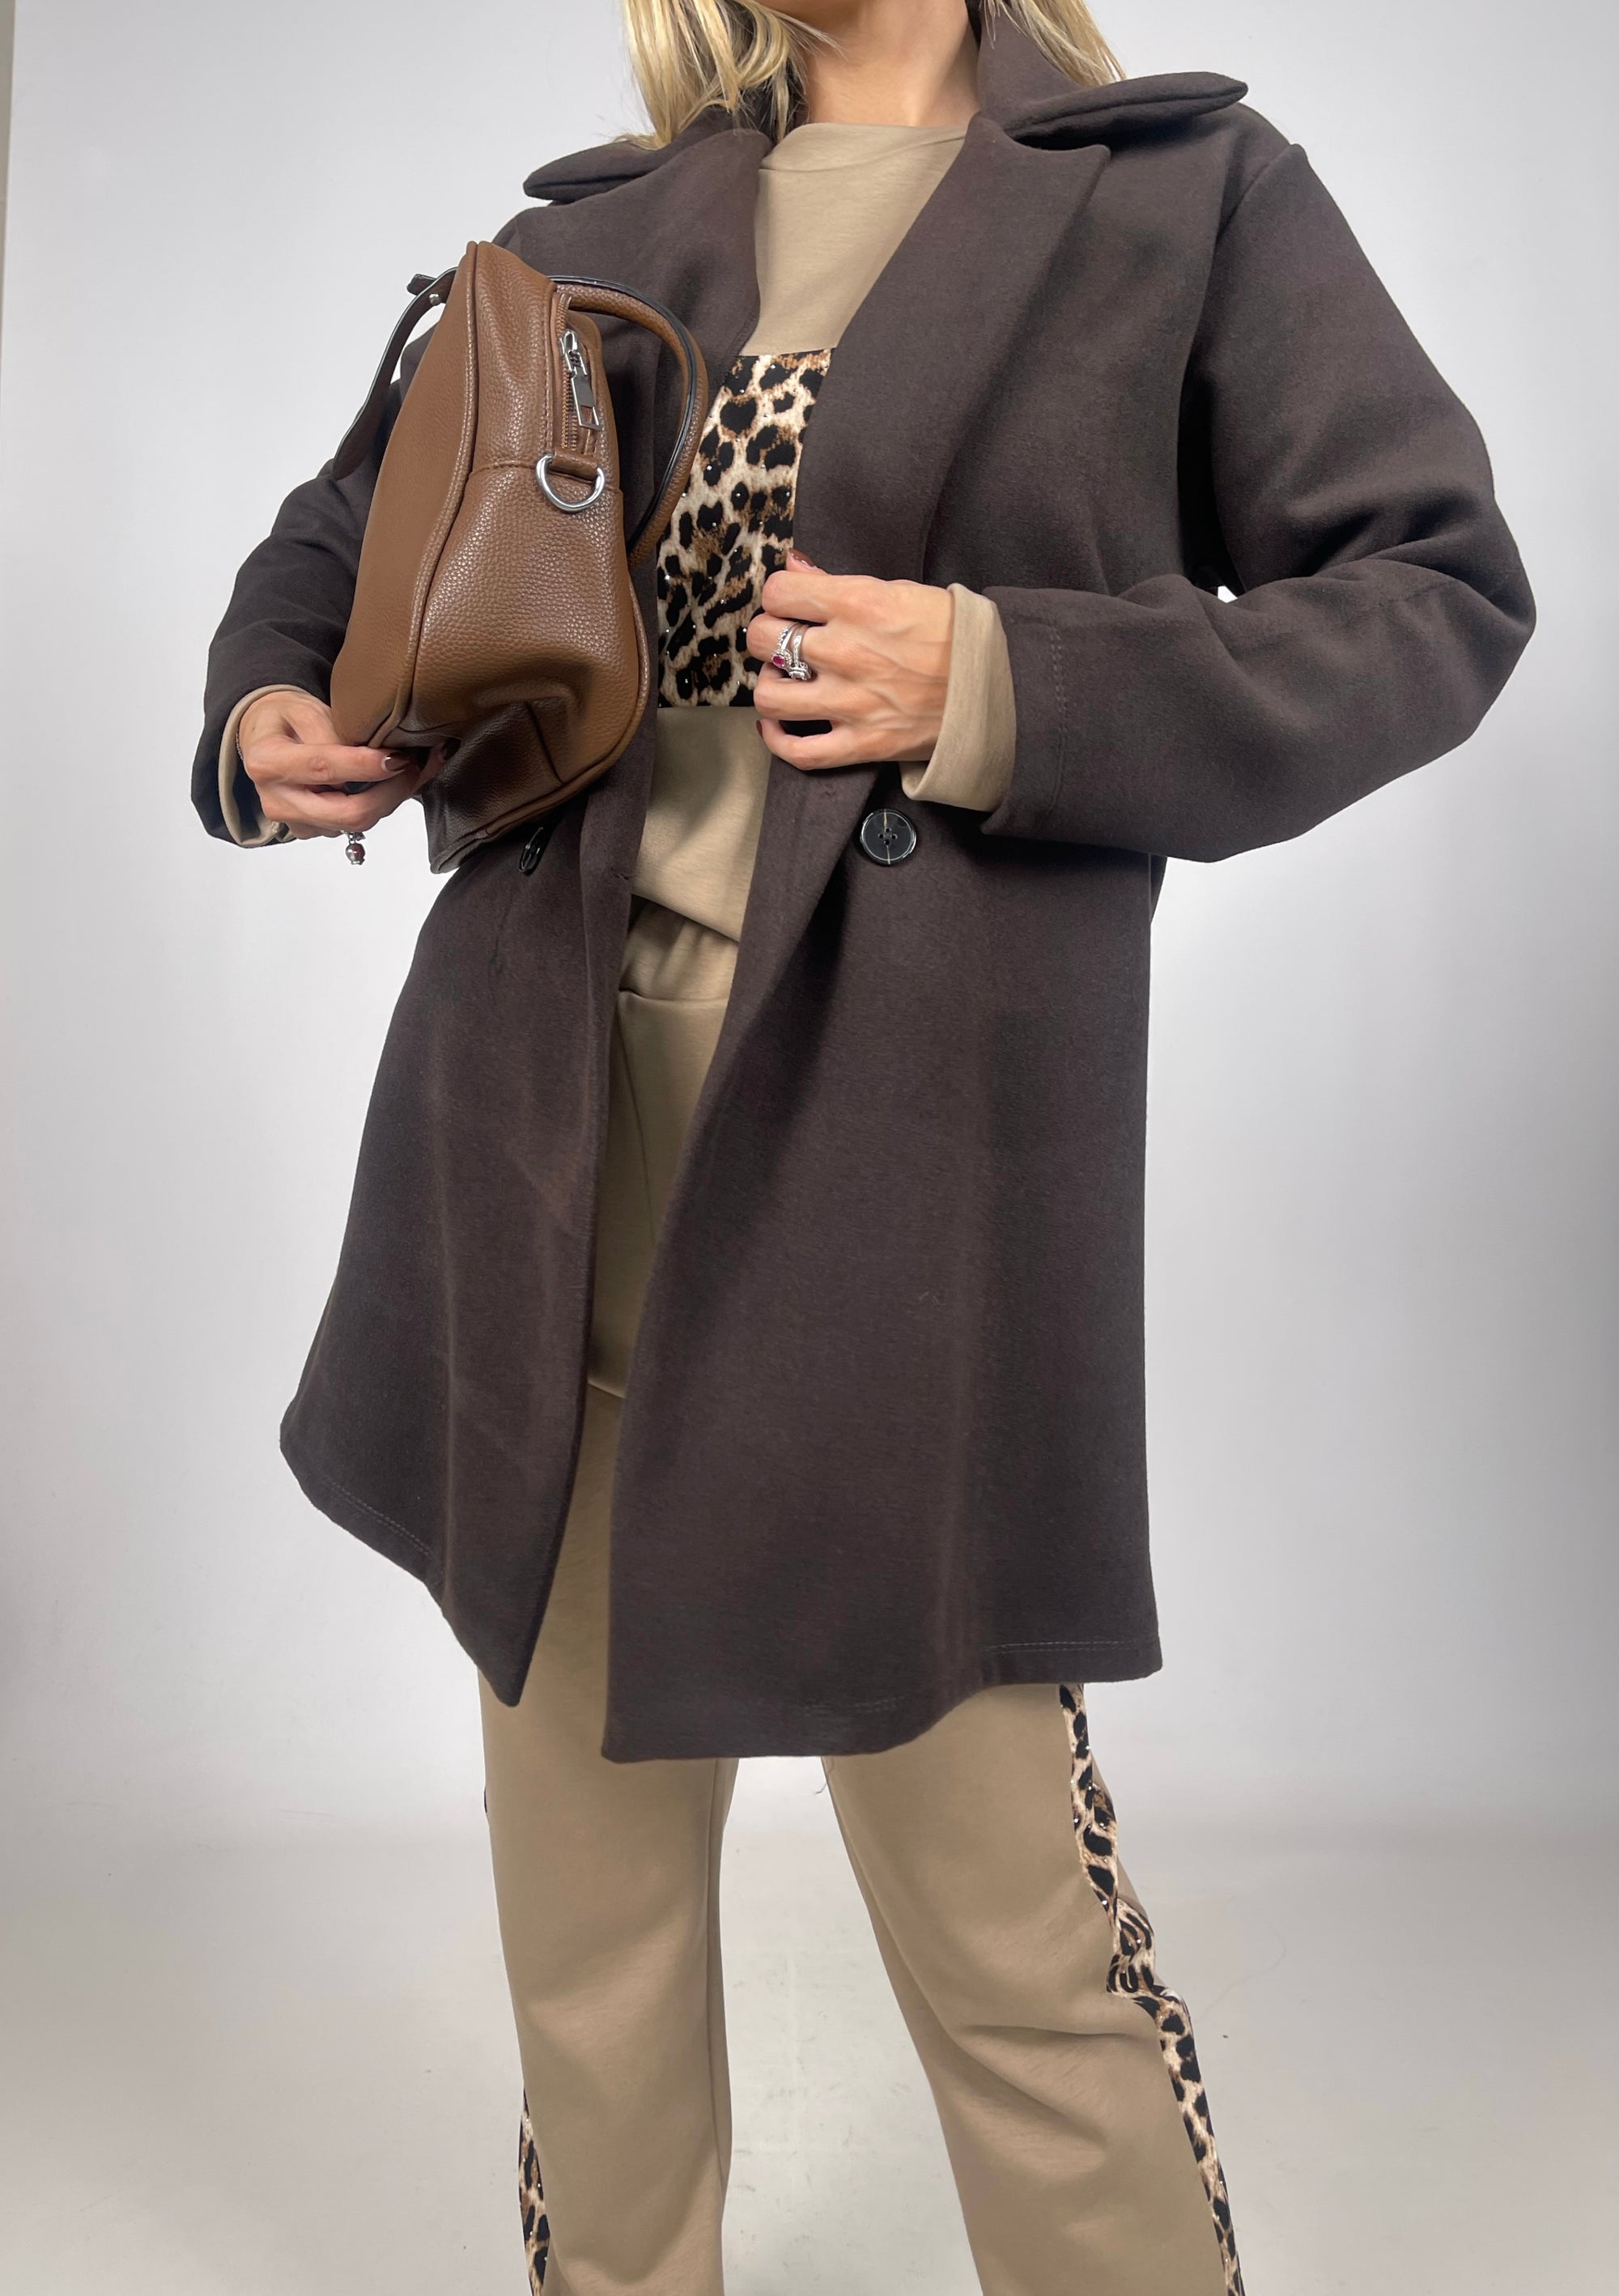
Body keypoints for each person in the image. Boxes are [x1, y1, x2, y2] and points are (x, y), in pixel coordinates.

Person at [193, 1, 1533, 2289]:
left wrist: (1002, 680)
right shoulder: (600, 225)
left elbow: (1431, 594)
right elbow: (340, 531)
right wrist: (268, 702)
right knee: (583, 1914)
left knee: (1007, 1923)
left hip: (900, 1155)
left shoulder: (1181, 196)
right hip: (535, 1127)